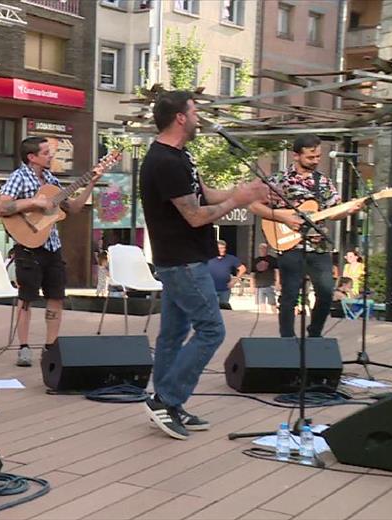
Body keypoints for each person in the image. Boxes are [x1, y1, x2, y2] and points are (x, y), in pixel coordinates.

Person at [139, 90, 267, 440]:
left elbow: (204, 194)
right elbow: (194, 216)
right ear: (180, 117)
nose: (199, 118)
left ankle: (168, 403)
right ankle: (166, 399)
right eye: (194, 111)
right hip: (182, 262)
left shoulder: (181, 156)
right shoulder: (163, 161)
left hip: (183, 260)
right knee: (212, 330)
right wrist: (237, 202)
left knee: (174, 333)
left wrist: (240, 194)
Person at [0, 136, 102, 367]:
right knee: (27, 299)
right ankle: (23, 347)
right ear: (32, 157)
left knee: (56, 297)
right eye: (45, 152)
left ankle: (51, 346)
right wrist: (34, 203)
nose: (50, 155)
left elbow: (72, 208)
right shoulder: (18, 177)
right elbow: (1, 207)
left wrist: (91, 182)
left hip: (52, 246)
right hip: (28, 247)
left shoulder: (52, 179)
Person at [249, 135, 363, 338]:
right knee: (290, 295)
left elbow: (333, 212)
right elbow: (254, 206)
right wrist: (283, 217)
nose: (316, 160)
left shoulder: (324, 182)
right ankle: (287, 339)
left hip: (318, 248)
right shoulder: (279, 180)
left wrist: (349, 210)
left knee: (327, 292)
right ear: (296, 155)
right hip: (289, 246)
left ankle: (315, 334)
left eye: (318, 156)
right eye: (311, 156)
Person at [206, 240, 245, 307]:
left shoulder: (231, 258)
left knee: (224, 310)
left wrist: (234, 280)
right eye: (220, 248)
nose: (223, 250)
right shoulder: (208, 258)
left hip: (225, 290)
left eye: (224, 248)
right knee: (212, 309)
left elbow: (242, 269)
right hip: (211, 290)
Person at [250, 242, 280, 314]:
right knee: (261, 304)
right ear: (259, 249)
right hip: (259, 286)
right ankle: (263, 318)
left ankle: (275, 316)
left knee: (272, 303)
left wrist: (278, 282)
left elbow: (277, 271)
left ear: (267, 249)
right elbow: (252, 274)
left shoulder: (272, 259)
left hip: (270, 285)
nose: (262, 250)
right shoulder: (255, 261)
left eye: (264, 248)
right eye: (261, 248)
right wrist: (252, 285)